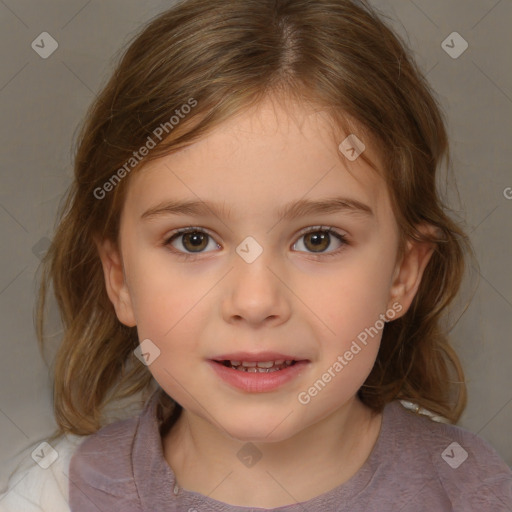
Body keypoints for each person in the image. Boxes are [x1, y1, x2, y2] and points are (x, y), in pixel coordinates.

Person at [1, 0, 511, 510]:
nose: (255, 301)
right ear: (120, 279)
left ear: (402, 274)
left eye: (318, 239)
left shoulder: (473, 492)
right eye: (193, 240)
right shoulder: (53, 497)